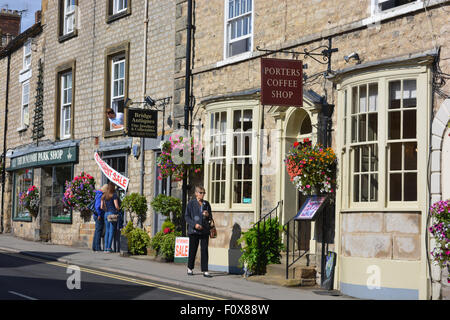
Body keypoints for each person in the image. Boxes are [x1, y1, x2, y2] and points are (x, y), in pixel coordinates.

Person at [185, 186, 213, 278]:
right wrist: (194, 225)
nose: (203, 194)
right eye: (201, 192)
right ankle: (190, 268)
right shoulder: (191, 203)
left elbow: (210, 218)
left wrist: (208, 215)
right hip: (194, 231)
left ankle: (205, 270)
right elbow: (187, 217)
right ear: (196, 193)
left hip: (204, 230)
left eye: (204, 193)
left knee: (204, 250)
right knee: (193, 250)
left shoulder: (206, 204)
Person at [101, 182, 120, 253]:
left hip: (106, 213)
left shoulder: (104, 196)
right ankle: (109, 248)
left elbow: (101, 207)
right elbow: (116, 206)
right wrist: (119, 209)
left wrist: (106, 209)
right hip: (112, 214)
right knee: (111, 231)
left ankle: (105, 248)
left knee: (107, 231)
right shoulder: (114, 195)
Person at [92, 184, 108, 252]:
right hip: (99, 215)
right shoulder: (100, 195)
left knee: (97, 231)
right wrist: (99, 214)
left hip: (97, 215)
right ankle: (97, 247)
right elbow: (98, 206)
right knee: (98, 231)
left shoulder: (98, 193)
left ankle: (94, 247)